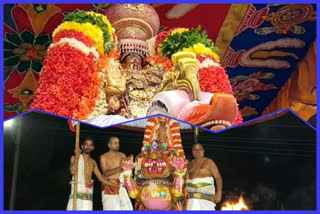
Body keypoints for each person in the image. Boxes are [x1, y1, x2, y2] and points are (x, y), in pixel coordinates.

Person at [66, 137, 118, 210]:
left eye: (90, 145)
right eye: (86, 144)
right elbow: (72, 171)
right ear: (82, 146)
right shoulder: (74, 157)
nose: (88, 146)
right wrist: (77, 156)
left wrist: (117, 185)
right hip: (76, 194)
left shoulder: (93, 162)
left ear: (93, 148)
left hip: (88, 195)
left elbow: (101, 179)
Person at [186, 143, 223, 210]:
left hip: (206, 198)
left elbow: (218, 177)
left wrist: (219, 193)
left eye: (199, 149)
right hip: (191, 198)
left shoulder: (209, 162)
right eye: (195, 149)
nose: (197, 151)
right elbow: (186, 180)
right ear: (192, 152)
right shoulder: (190, 164)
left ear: (203, 151)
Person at [100, 136, 133, 210]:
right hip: (109, 187)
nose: (118, 144)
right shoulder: (104, 157)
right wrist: (120, 167)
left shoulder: (122, 155)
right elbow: (105, 173)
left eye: (118, 143)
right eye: (115, 143)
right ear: (109, 145)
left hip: (121, 186)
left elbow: (126, 170)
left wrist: (127, 177)